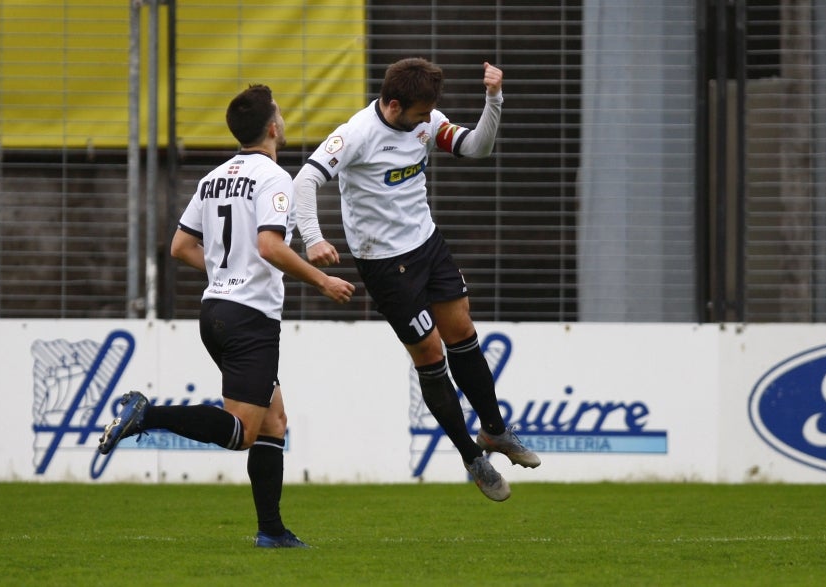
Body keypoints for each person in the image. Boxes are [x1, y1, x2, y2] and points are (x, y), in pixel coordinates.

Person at [97, 84, 355, 547]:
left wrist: (225, 268)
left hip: (215, 309)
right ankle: (146, 415)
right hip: (250, 318)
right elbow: (270, 246)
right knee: (240, 433)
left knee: (274, 422)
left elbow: (180, 247)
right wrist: (322, 281)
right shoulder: (275, 177)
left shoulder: (212, 178)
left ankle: (272, 532)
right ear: (273, 127)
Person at [293, 57, 539, 502]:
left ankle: (496, 431)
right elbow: (305, 181)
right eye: (421, 113)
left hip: (427, 245)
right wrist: (312, 239)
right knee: (429, 352)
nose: (428, 120)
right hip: (384, 264)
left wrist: (494, 98)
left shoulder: (425, 121)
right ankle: (471, 457)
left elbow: (476, 147)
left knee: (462, 330)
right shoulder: (356, 134)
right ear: (391, 105)